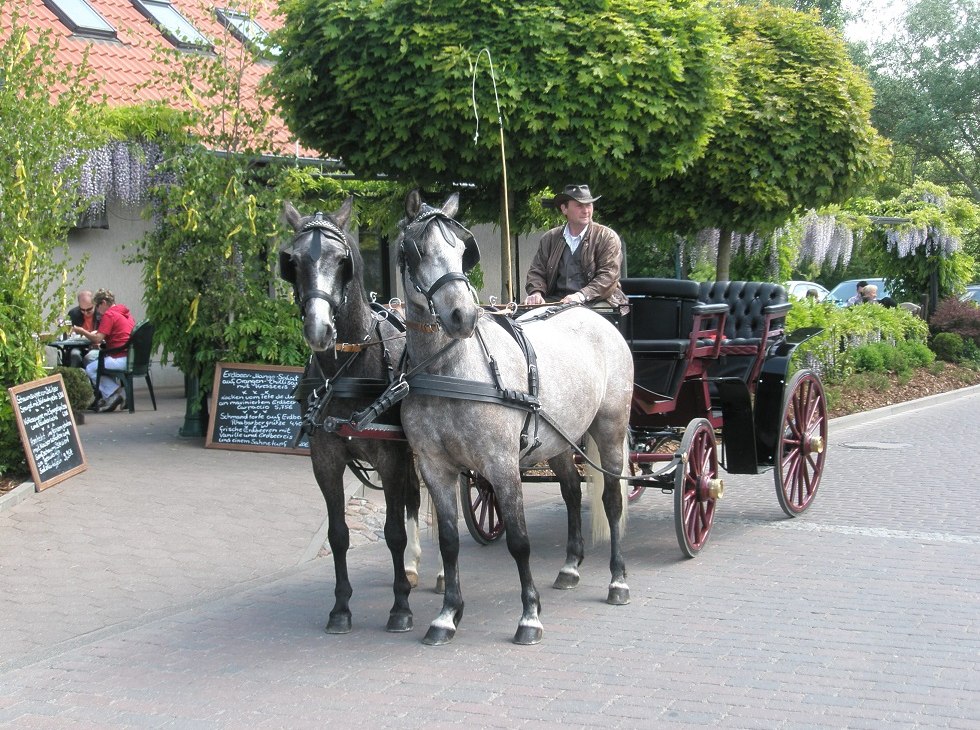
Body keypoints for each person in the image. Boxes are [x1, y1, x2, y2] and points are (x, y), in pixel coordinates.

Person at [524, 183, 628, 310]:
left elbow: (608, 277)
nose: (586, 211)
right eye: (579, 205)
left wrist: (580, 296)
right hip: (558, 300)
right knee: (523, 316)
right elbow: (537, 271)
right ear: (564, 209)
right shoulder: (549, 238)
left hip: (597, 300)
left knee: (586, 317)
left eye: (589, 205)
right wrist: (536, 292)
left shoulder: (607, 237)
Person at [73, 288, 135, 413]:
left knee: (91, 369)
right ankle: (113, 394)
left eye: (97, 306)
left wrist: (82, 331)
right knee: (92, 359)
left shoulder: (109, 315)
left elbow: (97, 339)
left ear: (104, 303)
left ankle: (114, 394)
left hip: (119, 357)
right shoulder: (125, 313)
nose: (97, 310)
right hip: (131, 356)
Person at [64, 290, 101, 367]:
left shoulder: (101, 313)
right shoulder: (73, 313)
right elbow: (67, 333)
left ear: (94, 304)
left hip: (97, 346)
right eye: (82, 310)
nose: (86, 313)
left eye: (89, 310)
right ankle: (74, 374)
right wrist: (70, 331)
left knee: (91, 357)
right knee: (75, 354)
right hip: (78, 345)